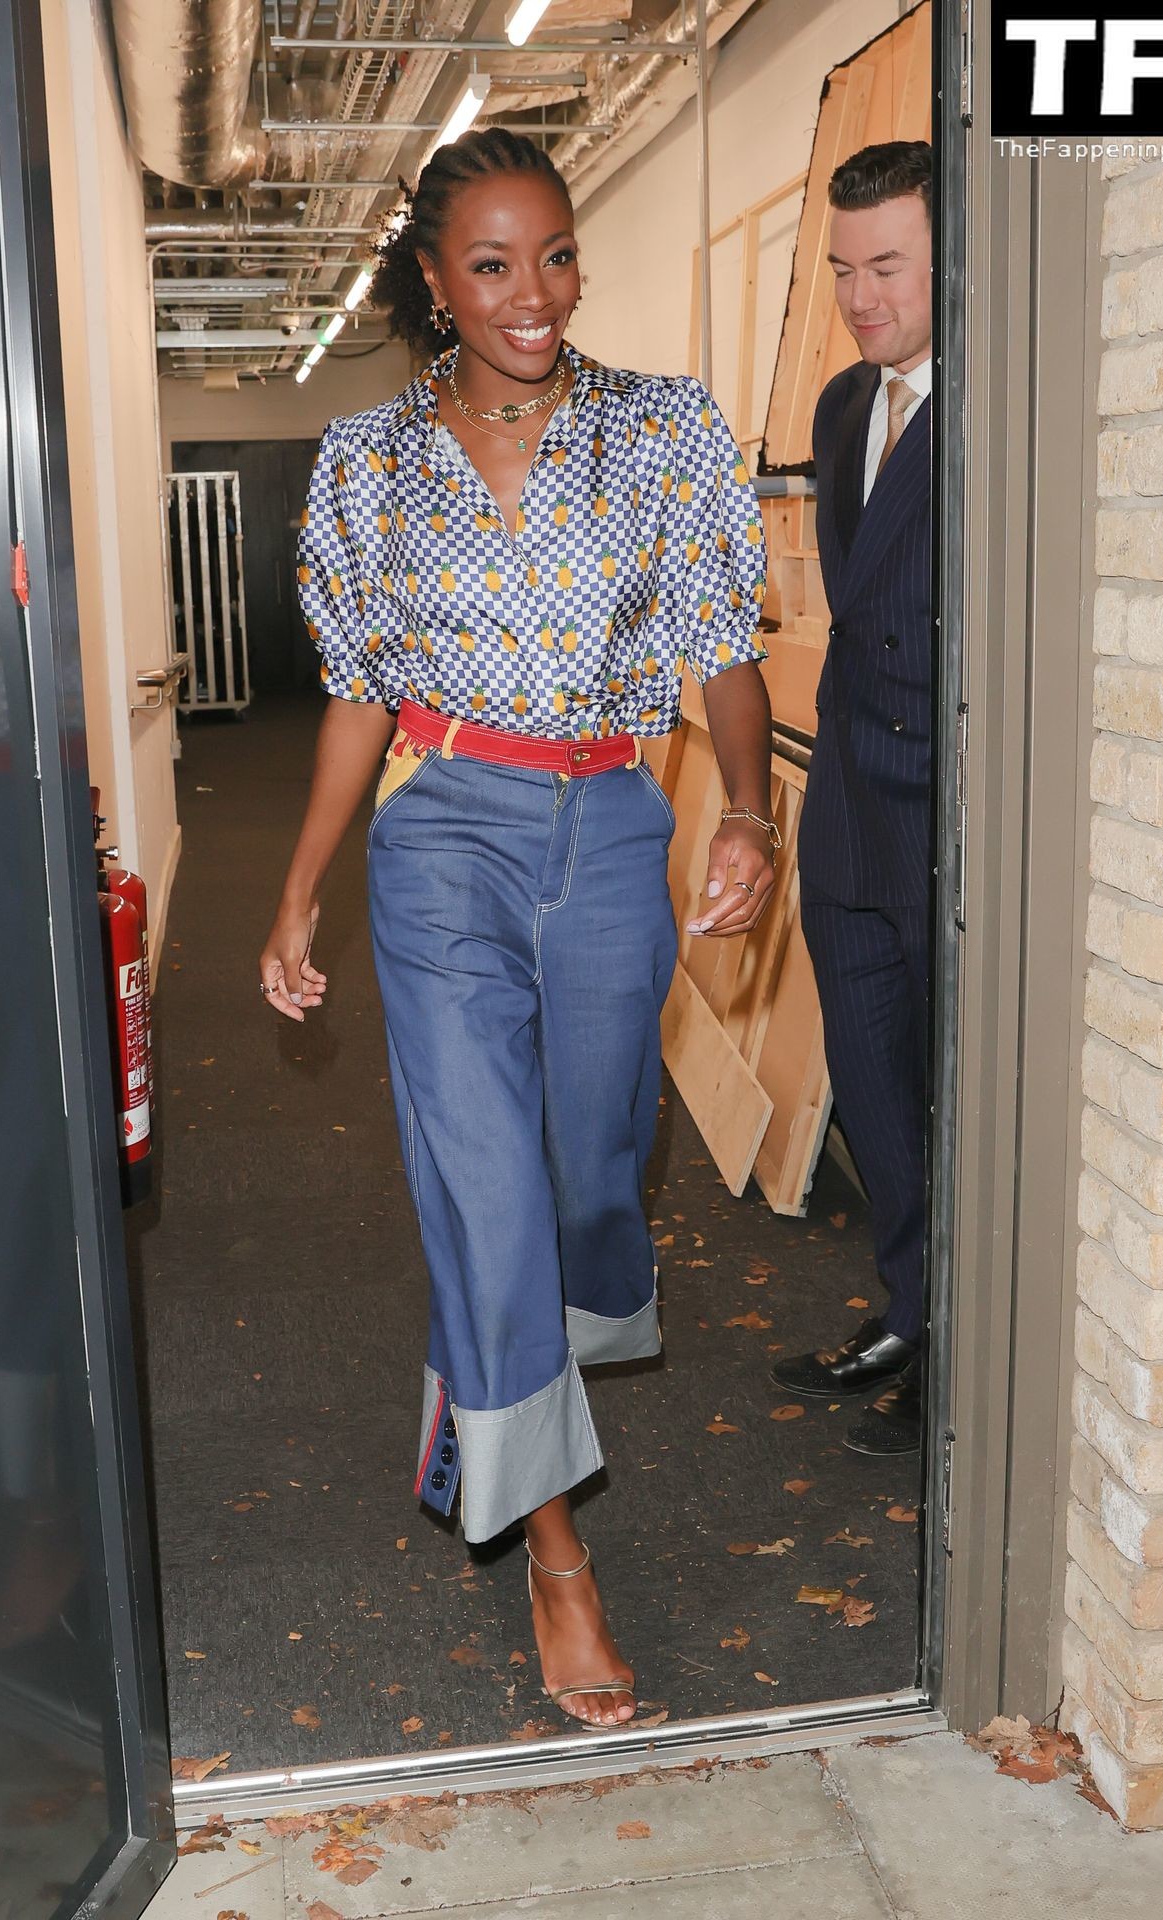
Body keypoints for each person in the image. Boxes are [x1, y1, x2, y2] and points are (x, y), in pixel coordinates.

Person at [259, 127, 776, 1728]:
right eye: (491, 265)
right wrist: (299, 886)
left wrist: (748, 810)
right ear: (435, 279)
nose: (532, 293)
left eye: (553, 256)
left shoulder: (665, 429)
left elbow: (721, 644)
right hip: (442, 831)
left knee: (591, 1172)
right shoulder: (366, 462)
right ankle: (556, 1553)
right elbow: (359, 691)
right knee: (483, 1185)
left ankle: (500, 1363)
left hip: (611, 820)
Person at [768, 141, 934, 1458]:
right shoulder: (837, 407)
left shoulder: (1002, 403)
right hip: (848, 814)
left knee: (956, 1095)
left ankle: (962, 1346)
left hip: (947, 811)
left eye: (888, 266)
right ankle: (913, 1309)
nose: (859, 297)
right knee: (874, 1089)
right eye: (841, 269)